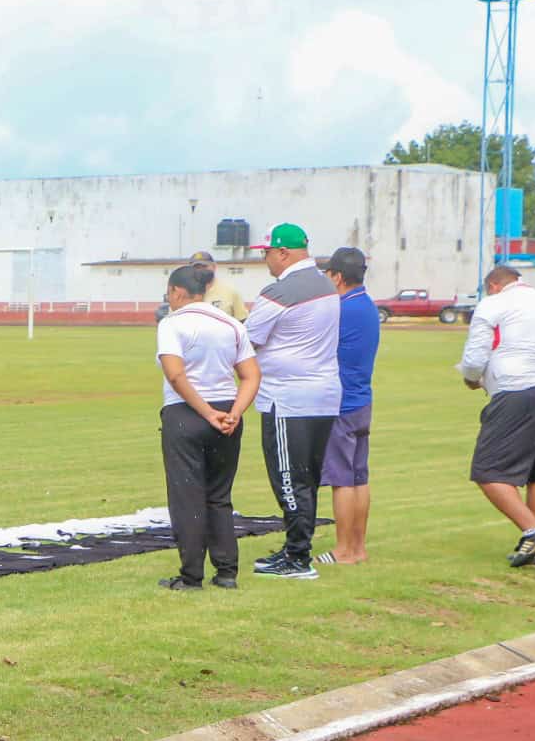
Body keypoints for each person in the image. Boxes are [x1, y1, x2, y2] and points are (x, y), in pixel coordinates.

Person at [244, 223, 341, 579]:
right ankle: (295, 547)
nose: (265, 259)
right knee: (307, 478)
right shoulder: (326, 285)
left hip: (288, 397)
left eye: (266, 253)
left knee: (288, 478)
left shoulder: (280, 292)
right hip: (323, 394)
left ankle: (298, 557)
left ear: (283, 252)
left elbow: (248, 340)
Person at [155, 266, 261, 591]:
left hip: (186, 413)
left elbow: (175, 375)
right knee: (219, 495)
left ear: (175, 292)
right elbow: (251, 375)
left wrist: (206, 412)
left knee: (187, 496)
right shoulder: (230, 324)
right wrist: (234, 412)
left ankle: (191, 576)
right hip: (227, 409)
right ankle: (227, 571)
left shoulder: (172, 323)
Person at [457, 265, 535, 566]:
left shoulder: (493, 305)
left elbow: (475, 357)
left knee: (488, 470)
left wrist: (471, 377)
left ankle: (533, 531)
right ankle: (533, 544)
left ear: (493, 285)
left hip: (515, 390)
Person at [316, 247, 379, 565]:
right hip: (361, 400)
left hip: (340, 403)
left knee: (341, 479)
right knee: (358, 477)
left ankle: (343, 550)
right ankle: (358, 547)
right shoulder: (367, 305)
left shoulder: (341, 309)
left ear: (338, 277)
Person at [189, 251, 249, 321]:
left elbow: (243, 321)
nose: (201, 270)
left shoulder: (230, 291)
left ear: (214, 267)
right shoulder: (185, 293)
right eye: (197, 267)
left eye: (204, 266)